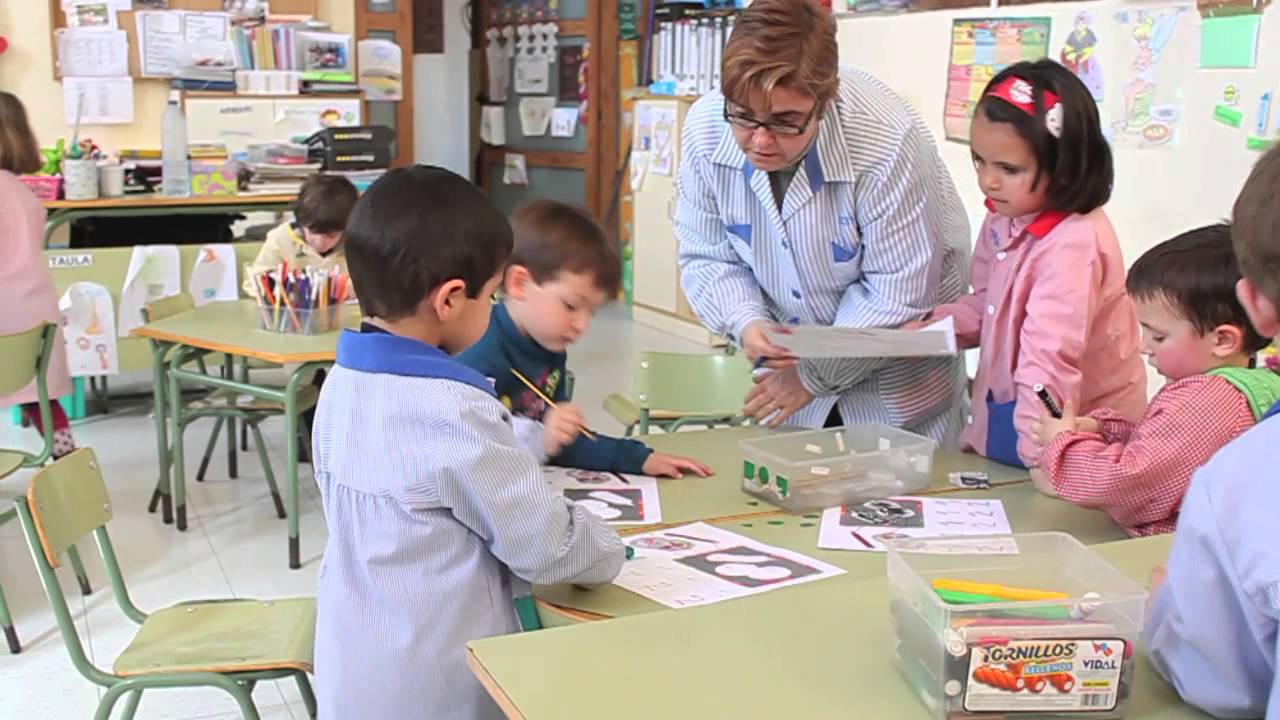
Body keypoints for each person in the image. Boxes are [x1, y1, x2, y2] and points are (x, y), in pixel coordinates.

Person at [310, 167, 625, 720]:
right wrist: (608, 549)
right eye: (491, 293)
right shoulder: (451, 409)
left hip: (353, 670)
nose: (494, 305)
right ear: (452, 299)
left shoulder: (338, 384)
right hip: (436, 687)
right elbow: (544, 544)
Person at [674, 0, 971, 445]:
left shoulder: (885, 140)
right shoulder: (704, 130)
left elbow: (897, 294)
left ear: (824, 101)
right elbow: (707, 255)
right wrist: (746, 321)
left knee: (895, 503)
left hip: (895, 389)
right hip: (786, 385)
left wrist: (813, 376)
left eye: (785, 122)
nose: (759, 141)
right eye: (743, 115)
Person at [922, 60, 1146, 468]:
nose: (987, 181)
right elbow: (990, 303)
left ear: (1063, 167)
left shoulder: (1073, 244)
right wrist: (932, 328)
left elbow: (1050, 362)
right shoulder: (1004, 214)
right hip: (1014, 411)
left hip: (1075, 433)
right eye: (979, 161)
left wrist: (1043, 460)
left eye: (1008, 169)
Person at [1029, 224, 1280, 536]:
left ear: (1223, 341)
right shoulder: (1247, 386)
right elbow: (1166, 446)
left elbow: (1128, 484)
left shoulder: (1207, 401)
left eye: (1159, 336)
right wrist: (1103, 431)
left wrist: (1063, 445)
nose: (1144, 346)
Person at [1144, 145, 1280, 718]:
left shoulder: (1242, 479)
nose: (1144, 350)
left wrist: (1162, 615)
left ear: (1255, 310)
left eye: (1155, 335)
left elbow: (1221, 680)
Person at [459, 200, 711, 479]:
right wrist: (540, 441)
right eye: (570, 305)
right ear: (519, 283)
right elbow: (466, 453)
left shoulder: (549, 344)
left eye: (591, 311)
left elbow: (565, 441)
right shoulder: (474, 350)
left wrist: (640, 460)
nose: (582, 325)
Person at [0, 91, 76, 459]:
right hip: (36, 321)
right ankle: (70, 470)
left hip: (5, 321)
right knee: (41, 402)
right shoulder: (25, 196)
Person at [242, 172, 358, 296]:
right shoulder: (280, 239)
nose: (320, 242)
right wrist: (282, 289)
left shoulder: (358, 243)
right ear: (301, 221)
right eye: (312, 232)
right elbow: (253, 283)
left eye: (331, 236)